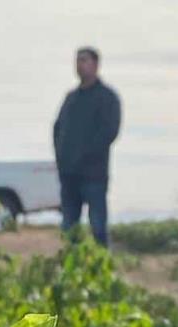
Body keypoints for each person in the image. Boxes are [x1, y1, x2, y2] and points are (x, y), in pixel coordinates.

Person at [53, 47, 121, 247]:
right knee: (69, 228)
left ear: (96, 65)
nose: (79, 65)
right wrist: (61, 158)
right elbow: (58, 128)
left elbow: (109, 132)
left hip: (94, 176)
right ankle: (71, 272)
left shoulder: (107, 97)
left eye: (84, 60)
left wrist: (85, 157)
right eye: (77, 61)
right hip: (69, 176)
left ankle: (101, 272)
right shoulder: (71, 98)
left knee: (98, 226)